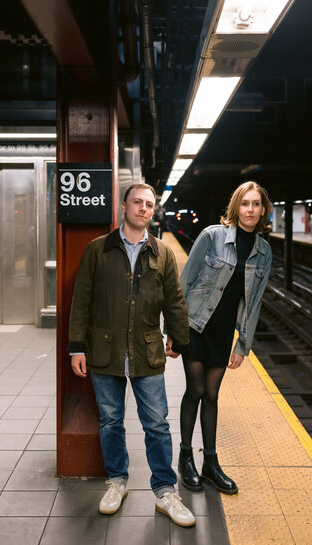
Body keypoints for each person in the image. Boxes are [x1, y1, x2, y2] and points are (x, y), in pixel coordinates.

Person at [68, 182, 195, 528]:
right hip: (104, 349)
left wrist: (178, 339)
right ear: (123, 207)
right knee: (111, 421)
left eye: (149, 204)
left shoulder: (163, 252)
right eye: (137, 202)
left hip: (147, 349)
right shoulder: (98, 250)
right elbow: (82, 300)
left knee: (156, 423)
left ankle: (165, 491)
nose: (143, 208)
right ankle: (117, 482)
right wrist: (76, 347)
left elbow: (174, 300)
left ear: (153, 211)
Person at [178, 181, 273, 494]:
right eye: (245, 203)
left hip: (222, 332)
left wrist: (243, 345)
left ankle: (211, 463)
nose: (250, 210)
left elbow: (254, 302)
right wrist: (173, 331)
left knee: (213, 395)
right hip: (196, 324)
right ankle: (186, 458)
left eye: (256, 204)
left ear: (263, 210)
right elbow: (184, 283)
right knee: (197, 389)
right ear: (236, 207)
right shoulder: (212, 236)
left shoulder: (264, 251)